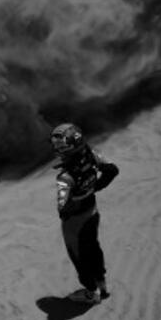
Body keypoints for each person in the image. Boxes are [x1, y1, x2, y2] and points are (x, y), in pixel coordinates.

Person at [51, 122, 119, 304]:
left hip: (74, 223)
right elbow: (112, 170)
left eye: (60, 145)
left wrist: (69, 206)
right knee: (94, 248)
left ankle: (91, 293)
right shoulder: (91, 155)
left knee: (79, 257)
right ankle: (103, 287)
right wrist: (95, 188)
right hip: (93, 212)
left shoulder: (65, 178)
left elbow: (62, 206)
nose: (57, 148)